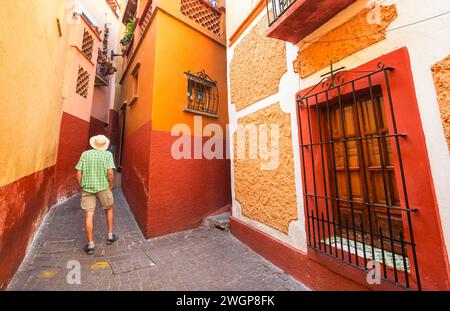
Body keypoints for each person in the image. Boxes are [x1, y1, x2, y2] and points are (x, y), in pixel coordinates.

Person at [75, 135, 119, 255]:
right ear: (104, 144)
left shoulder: (85, 154)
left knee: (89, 214)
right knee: (109, 209)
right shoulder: (107, 155)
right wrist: (111, 184)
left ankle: (90, 244)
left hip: (87, 187)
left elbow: (78, 173)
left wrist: (81, 185)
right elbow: (110, 172)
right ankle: (110, 236)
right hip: (103, 186)